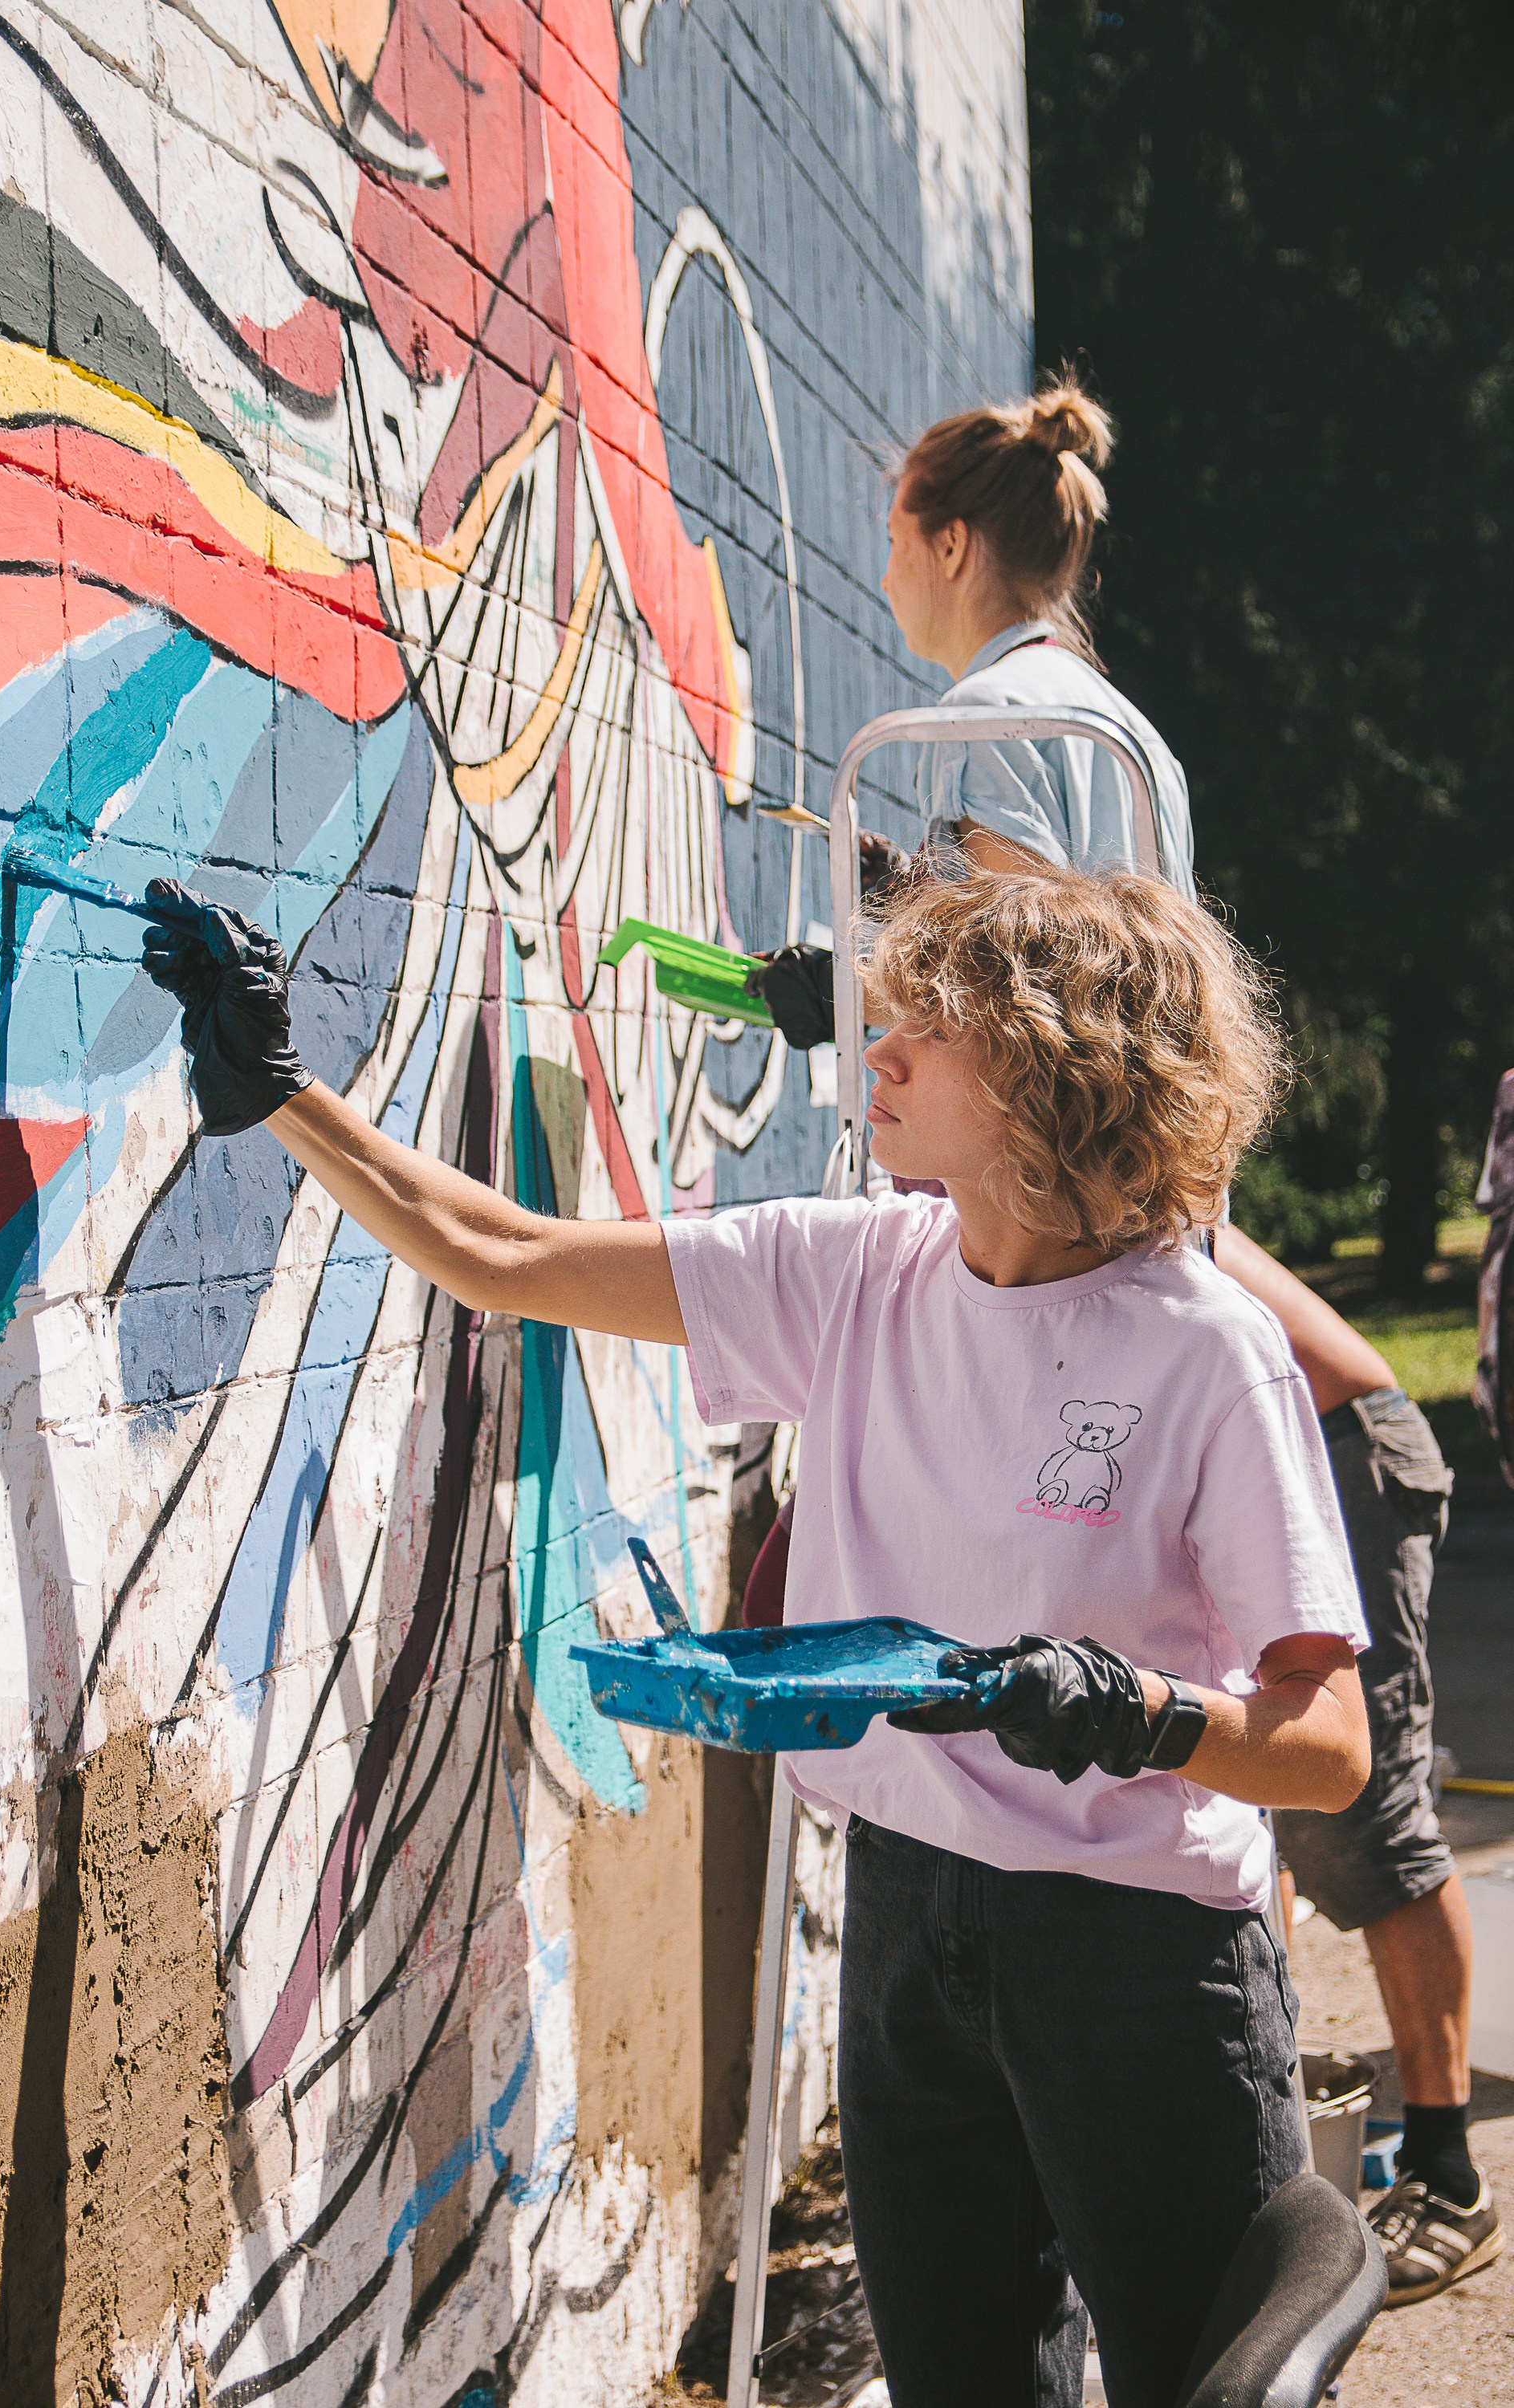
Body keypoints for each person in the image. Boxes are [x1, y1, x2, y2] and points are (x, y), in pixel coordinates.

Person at [141, 857, 1370, 2408]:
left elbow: (1329, 1747)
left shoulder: (1210, 1354)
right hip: (910, 1918)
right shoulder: (856, 1270)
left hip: (1138, 1956)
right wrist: (282, 1091)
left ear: (1052, 1072)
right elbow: (502, 1256)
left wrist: (1130, 1711)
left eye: (930, 1030)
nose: (881, 1052)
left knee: (1207, 2382)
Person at [750, 372, 1497, 2304]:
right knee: (1282, 1830)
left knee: (1346, 1813)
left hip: (1284, 1402)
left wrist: (867, 988)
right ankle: (1311, 2169)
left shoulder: (992, 728)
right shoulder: (1108, 729)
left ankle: (1416, 2167)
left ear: (944, 541)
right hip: (1219, 1345)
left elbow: (1028, 992)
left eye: (890, 542)